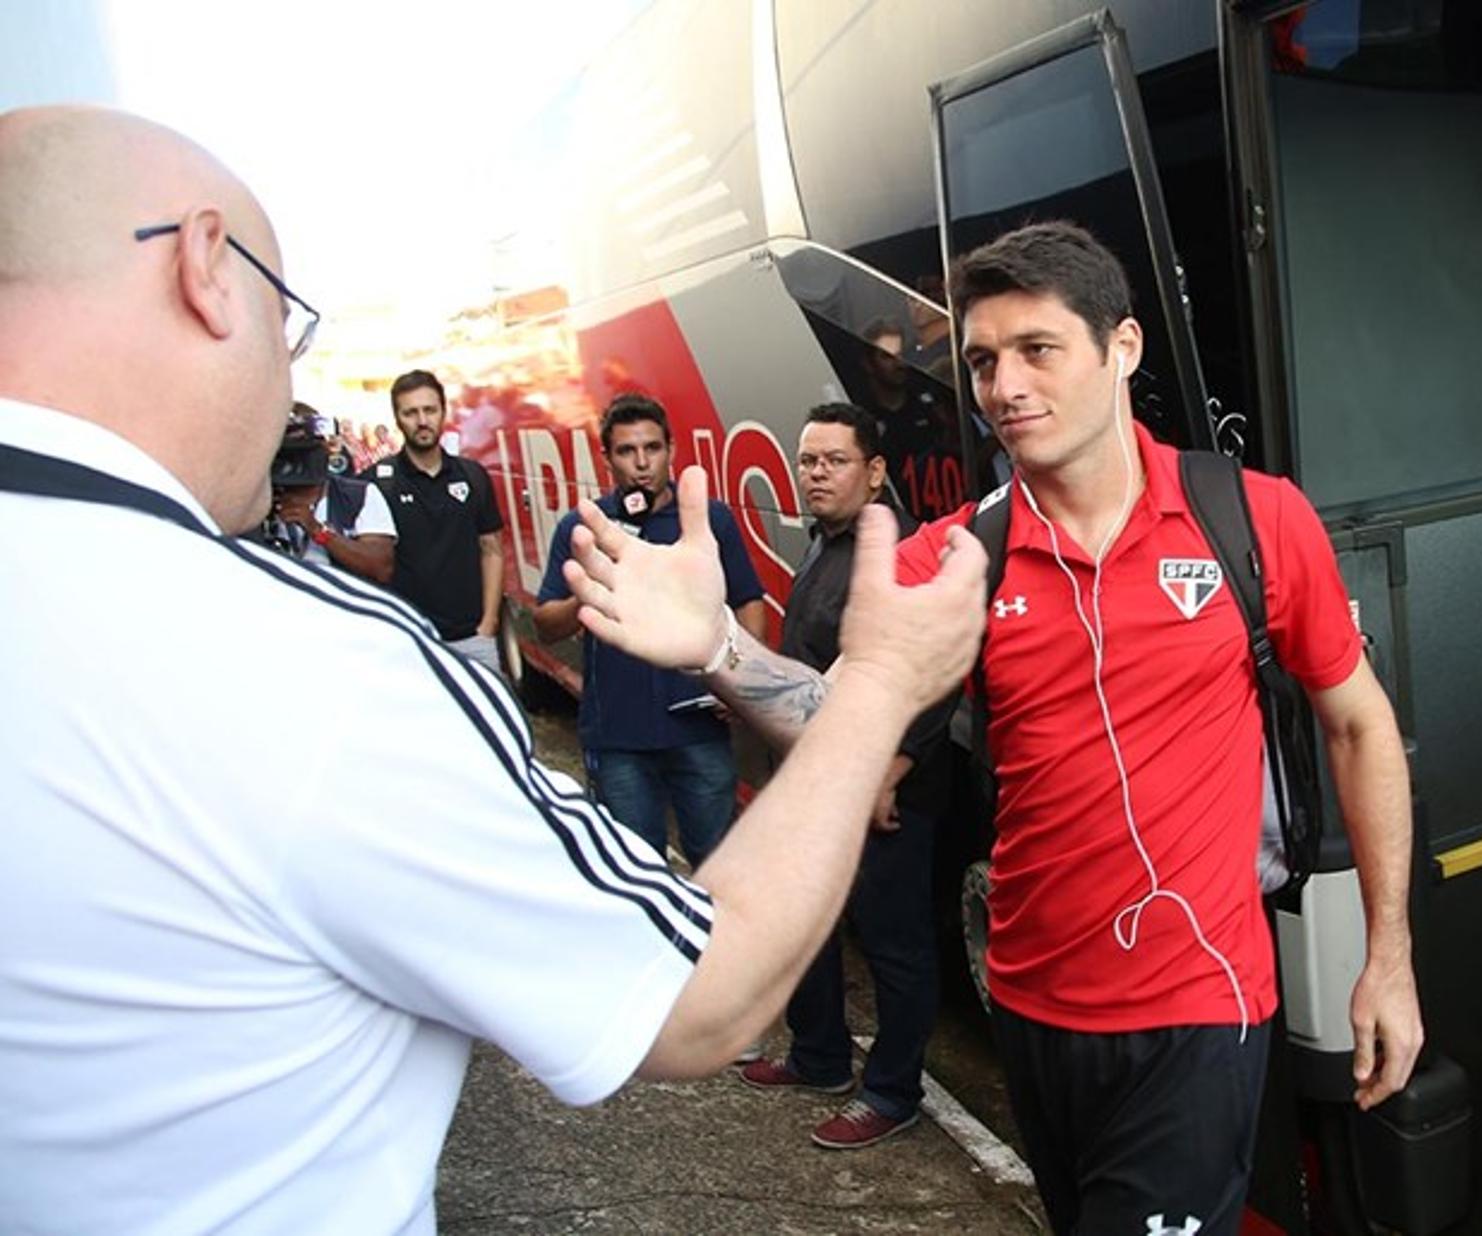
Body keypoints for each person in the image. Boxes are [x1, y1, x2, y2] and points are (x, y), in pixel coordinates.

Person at [0, 104, 986, 1235]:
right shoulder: (315, 666)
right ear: (206, 270)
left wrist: (719, 651)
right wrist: (883, 685)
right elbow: (695, 998)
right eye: (290, 325)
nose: (288, 386)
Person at [566, 221, 1424, 1232]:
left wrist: (1390, 956)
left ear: (1124, 349)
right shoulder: (962, 554)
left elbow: (1362, 726)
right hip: (1030, 1006)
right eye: (981, 361)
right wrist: (717, 644)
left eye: (1038, 350)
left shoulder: (1256, 521)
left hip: (1200, 1008)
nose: (1005, 386)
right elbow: (831, 716)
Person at [740, 403, 950, 1150]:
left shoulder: (897, 553)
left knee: (895, 946)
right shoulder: (827, 544)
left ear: (876, 470)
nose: (815, 473)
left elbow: (939, 671)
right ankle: (820, 1056)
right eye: (807, 460)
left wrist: (895, 768)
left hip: (878, 792)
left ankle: (893, 1093)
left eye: (833, 460)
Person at [532, 394, 768, 869]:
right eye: (626, 451)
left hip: (698, 731)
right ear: (607, 458)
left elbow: (748, 601)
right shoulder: (584, 527)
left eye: (652, 448)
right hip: (618, 738)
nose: (642, 463)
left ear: (671, 449)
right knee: (635, 869)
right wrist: (596, 582)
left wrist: (741, 683)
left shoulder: (708, 520)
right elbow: (545, 625)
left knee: (719, 866)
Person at [370, 369, 504, 670]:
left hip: (473, 640)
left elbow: (492, 549)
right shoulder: (376, 485)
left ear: (443, 412)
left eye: (429, 410)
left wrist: (488, 624)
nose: (422, 421)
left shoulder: (473, 476)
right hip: (409, 643)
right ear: (397, 418)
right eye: (411, 412)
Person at [266, 409, 397, 585]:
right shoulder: (261, 498)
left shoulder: (360, 494)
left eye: (305, 452)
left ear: (325, 449)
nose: (298, 462)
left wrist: (318, 531)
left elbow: (381, 568)